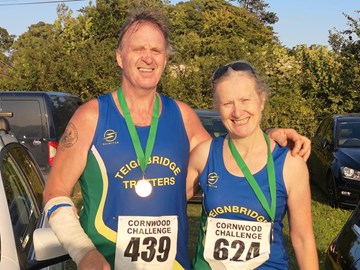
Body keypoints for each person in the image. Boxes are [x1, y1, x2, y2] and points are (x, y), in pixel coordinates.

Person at [43, 8, 311, 270]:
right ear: (119, 57)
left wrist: (266, 138)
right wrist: (83, 251)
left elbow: (230, 157)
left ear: (165, 59)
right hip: (105, 262)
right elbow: (54, 193)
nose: (148, 58)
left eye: (156, 50)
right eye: (138, 49)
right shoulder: (91, 116)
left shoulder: (182, 116)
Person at [186, 60, 318, 269]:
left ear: (261, 100)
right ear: (217, 108)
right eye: (227, 103)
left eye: (245, 100)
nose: (238, 112)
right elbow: (167, 203)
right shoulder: (204, 154)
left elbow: (303, 239)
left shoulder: (290, 164)